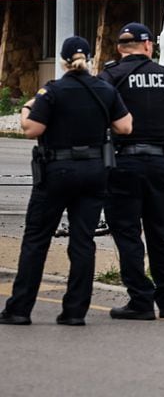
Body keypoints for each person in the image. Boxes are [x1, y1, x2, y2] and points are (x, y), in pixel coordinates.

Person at [0, 37, 132, 326]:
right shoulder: (104, 90)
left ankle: (19, 309)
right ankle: (74, 312)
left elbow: (32, 129)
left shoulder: (52, 91)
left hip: (57, 172)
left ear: (62, 61)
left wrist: (25, 110)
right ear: (91, 58)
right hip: (95, 172)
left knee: (36, 239)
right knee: (82, 241)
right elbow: (125, 126)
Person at [99, 22, 164, 321]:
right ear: (148, 46)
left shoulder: (111, 77)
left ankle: (140, 301)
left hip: (122, 165)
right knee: (161, 234)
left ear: (120, 48)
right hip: (160, 165)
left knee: (128, 233)